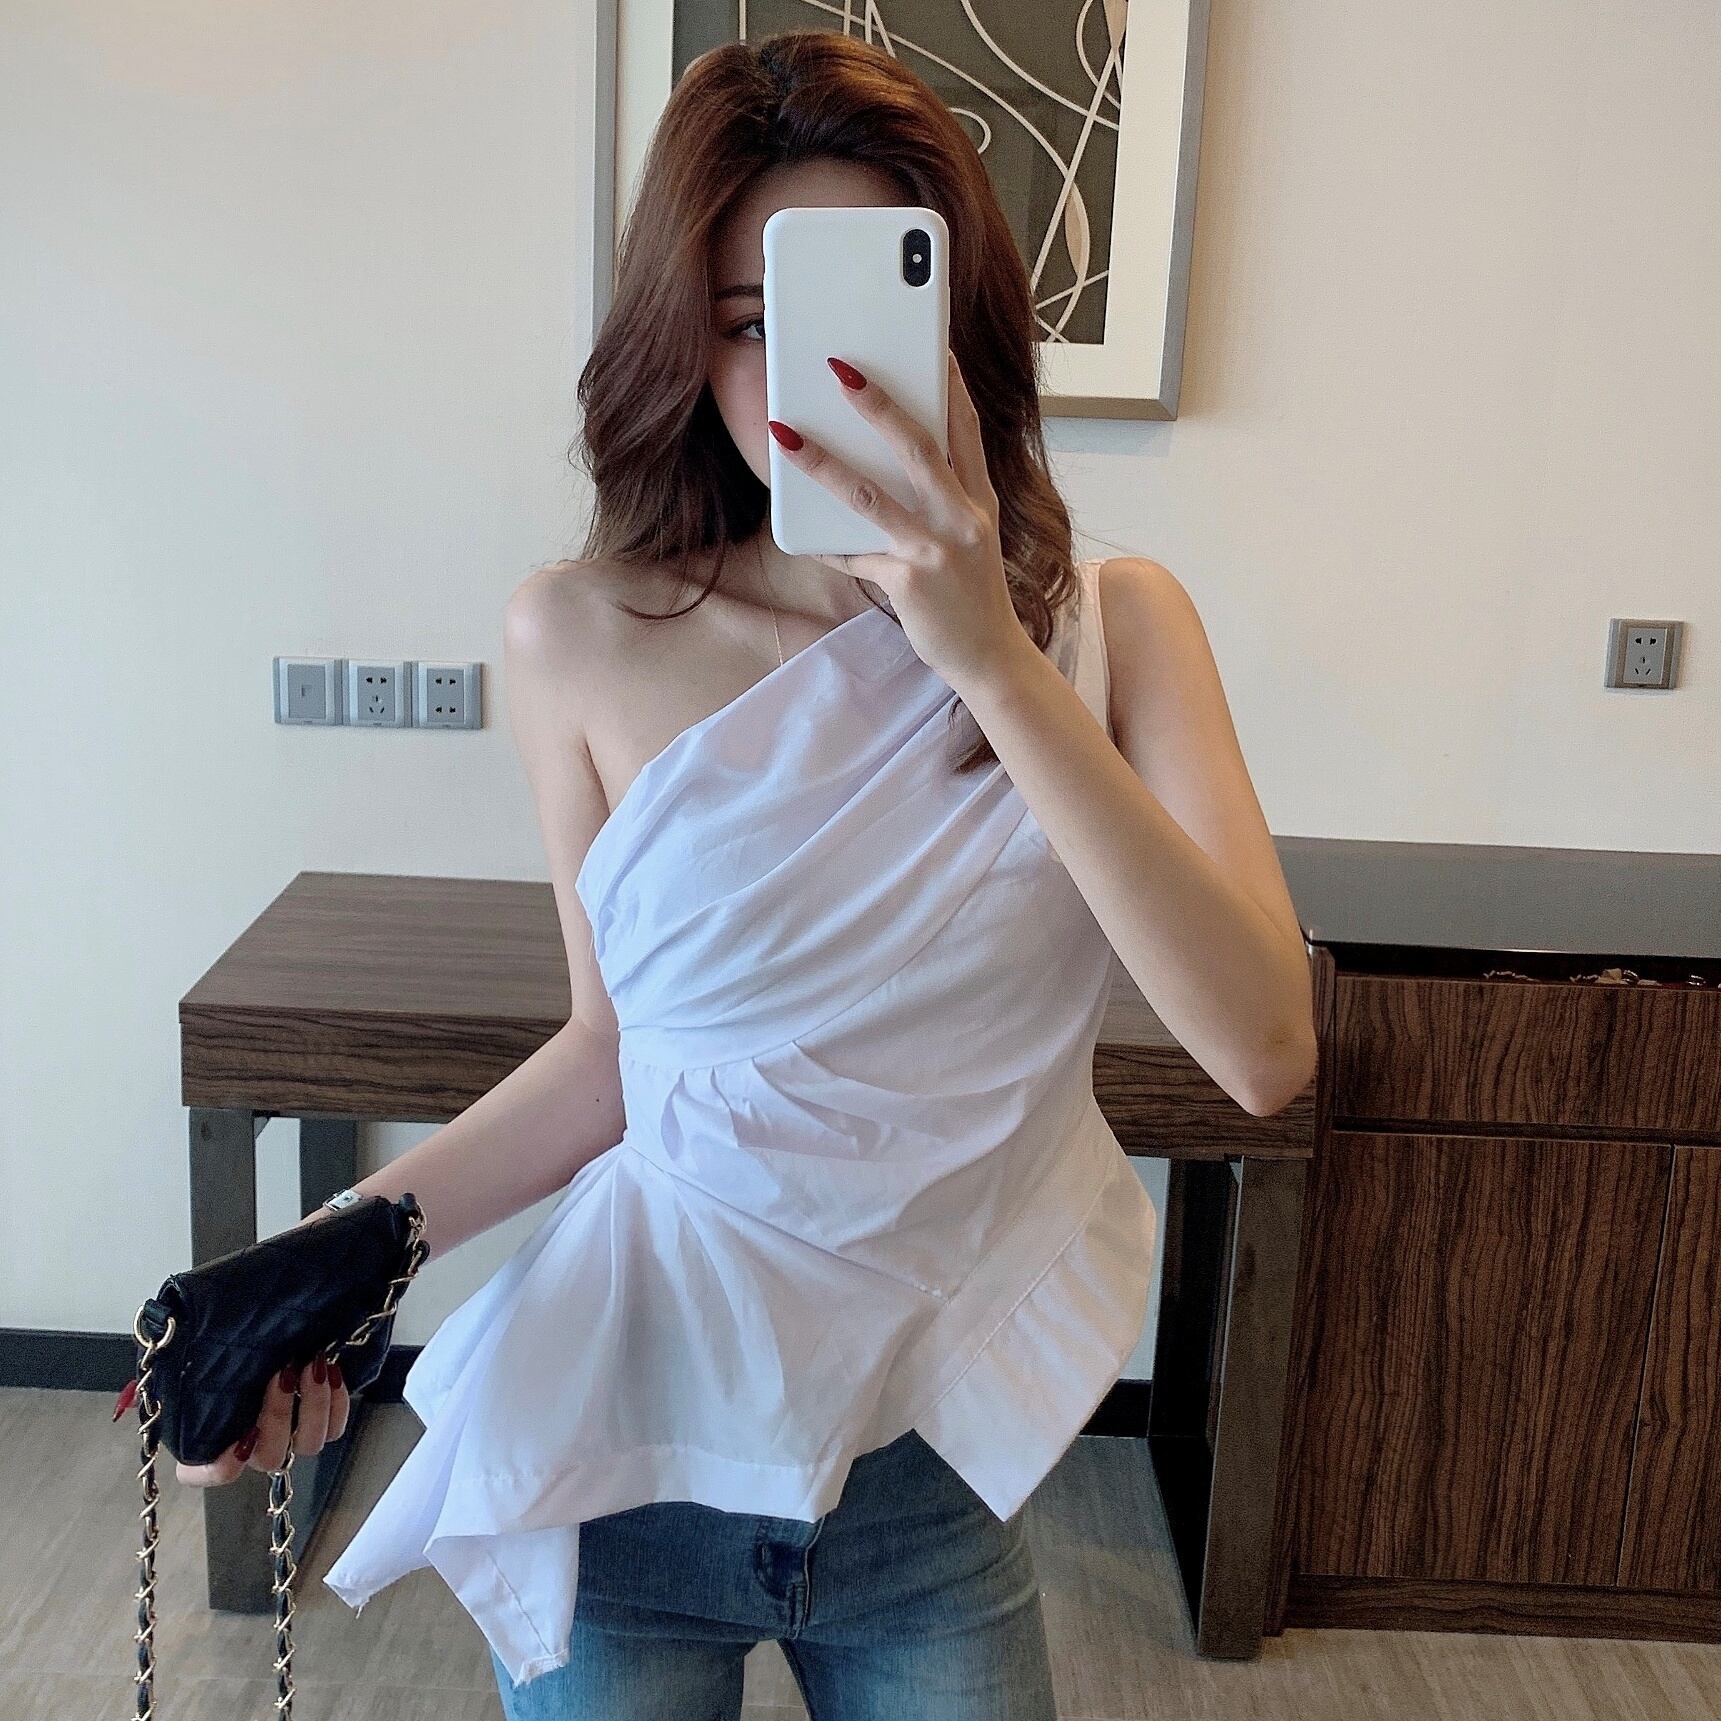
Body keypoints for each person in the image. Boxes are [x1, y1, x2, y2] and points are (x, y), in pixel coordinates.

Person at [174, 28, 1316, 1721]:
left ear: (958, 322)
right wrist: (326, 1262)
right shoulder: (579, 634)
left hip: (923, 1479)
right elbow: (612, 1059)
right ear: (680, 341)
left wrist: (988, 659)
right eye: (744, 319)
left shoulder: (1115, 629)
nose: (806, 373)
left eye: (859, 305)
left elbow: (1263, 1048)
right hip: (629, 1451)